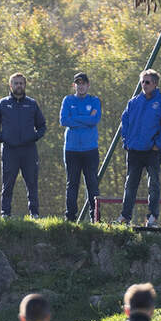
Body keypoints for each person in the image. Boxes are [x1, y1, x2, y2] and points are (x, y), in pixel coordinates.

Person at [115, 69, 161, 227]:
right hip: (134, 150)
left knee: (153, 184)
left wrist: (157, 144)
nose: (144, 85)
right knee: (130, 184)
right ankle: (125, 216)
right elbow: (124, 123)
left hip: (152, 152)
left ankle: (152, 217)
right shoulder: (133, 102)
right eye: (142, 81)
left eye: (147, 82)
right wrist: (126, 142)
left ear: (155, 84)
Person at [0, 72, 46, 218]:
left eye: (21, 83)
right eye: (16, 83)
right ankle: (5, 214)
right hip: (9, 150)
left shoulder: (32, 104)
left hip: (29, 150)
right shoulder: (3, 104)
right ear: (10, 85)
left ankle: (34, 214)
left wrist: (34, 137)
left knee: (32, 184)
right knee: (7, 184)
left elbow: (42, 126)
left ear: (25, 85)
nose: (19, 86)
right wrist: (1, 138)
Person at [60, 72, 101, 221]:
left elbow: (94, 120)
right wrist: (85, 118)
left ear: (88, 85)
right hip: (71, 149)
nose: (81, 86)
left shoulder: (94, 100)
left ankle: (95, 218)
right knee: (72, 184)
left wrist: (75, 118)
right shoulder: (67, 100)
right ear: (74, 85)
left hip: (90, 149)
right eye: (78, 83)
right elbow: (64, 120)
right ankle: (70, 218)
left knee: (92, 184)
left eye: (84, 83)